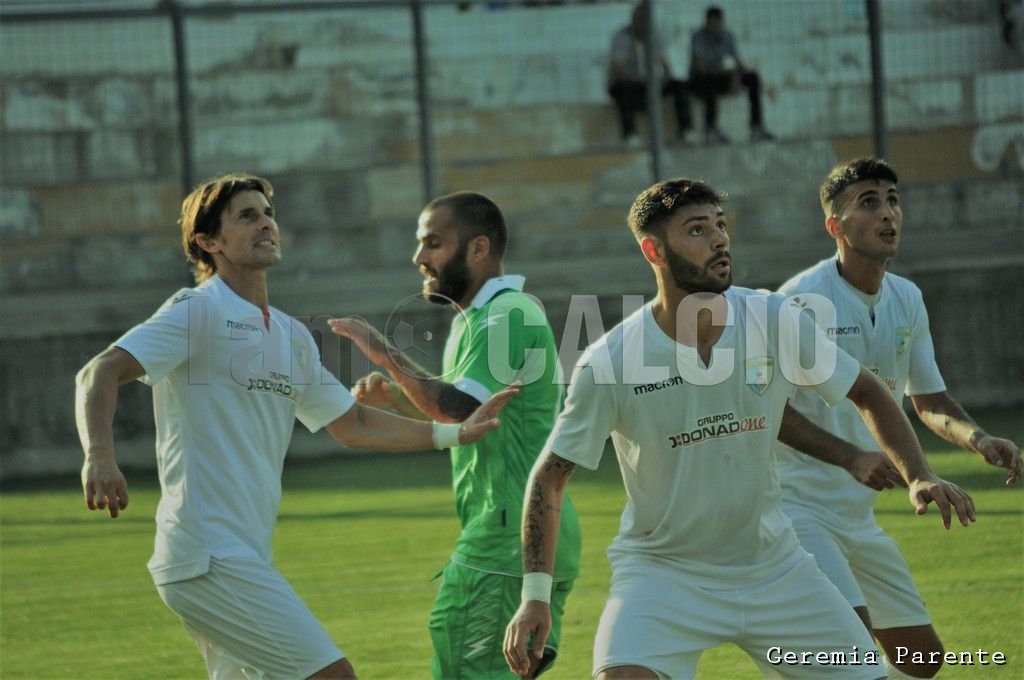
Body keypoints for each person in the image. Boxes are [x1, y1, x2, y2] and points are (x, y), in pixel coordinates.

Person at [502, 177, 977, 680]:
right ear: (653, 250)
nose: (720, 239)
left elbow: (867, 390)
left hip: (775, 567)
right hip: (663, 575)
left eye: (721, 226)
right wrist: (534, 598)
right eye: (698, 230)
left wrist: (920, 473)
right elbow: (549, 477)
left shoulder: (773, 317)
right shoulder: (610, 361)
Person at [75, 174, 518, 680]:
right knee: (333, 676)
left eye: (267, 213)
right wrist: (99, 455)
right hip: (206, 557)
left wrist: (452, 434)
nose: (266, 223)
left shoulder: (289, 333)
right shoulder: (197, 309)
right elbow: (99, 371)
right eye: (246, 216)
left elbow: (351, 423)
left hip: (242, 557)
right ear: (209, 242)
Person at [772, 157, 1021, 679]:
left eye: (892, 200)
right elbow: (767, 413)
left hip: (857, 518)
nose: (888, 213)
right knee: (850, 657)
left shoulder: (907, 297)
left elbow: (928, 401)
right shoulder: (799, 302)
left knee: (922, 661)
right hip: (794, 513)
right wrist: (851, 457)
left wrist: (978, 438)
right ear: (834, 226)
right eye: (869, 202)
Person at [328, 191, 581, 680]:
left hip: (505, 543)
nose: (419, 258)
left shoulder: (507, 314)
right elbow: (471, 422)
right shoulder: (480, 319)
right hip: (522, 537)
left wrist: (385, 354)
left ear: (479, 249)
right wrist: (399, 397)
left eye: (434, 243)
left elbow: (459, 406)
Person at [607, 2, 693, 147]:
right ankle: (630, 134)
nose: (640, 24)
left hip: (651, 84)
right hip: (631, 83)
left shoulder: (656, 36)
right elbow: (618, 69)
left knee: (680, 85)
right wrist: (639, 79)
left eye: (643, 19)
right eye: (637, 19)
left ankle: (686, 130)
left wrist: (661, 80)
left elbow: (666, 67)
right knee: (623, 88)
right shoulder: (622, 37)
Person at [688, 5, 774, 144]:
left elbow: (737, 62)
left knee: (752, 78)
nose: (714, 27)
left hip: (721, 77)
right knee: (710, 79)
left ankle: (756, 126)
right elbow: (701, 67)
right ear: (706, 24)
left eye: (716, 24)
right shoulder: (698, 36)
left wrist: (736, 77)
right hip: (700, 81)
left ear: (722, 23)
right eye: (710, 24)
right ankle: (711, 129)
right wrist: (723, 70)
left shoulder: (728, 35)